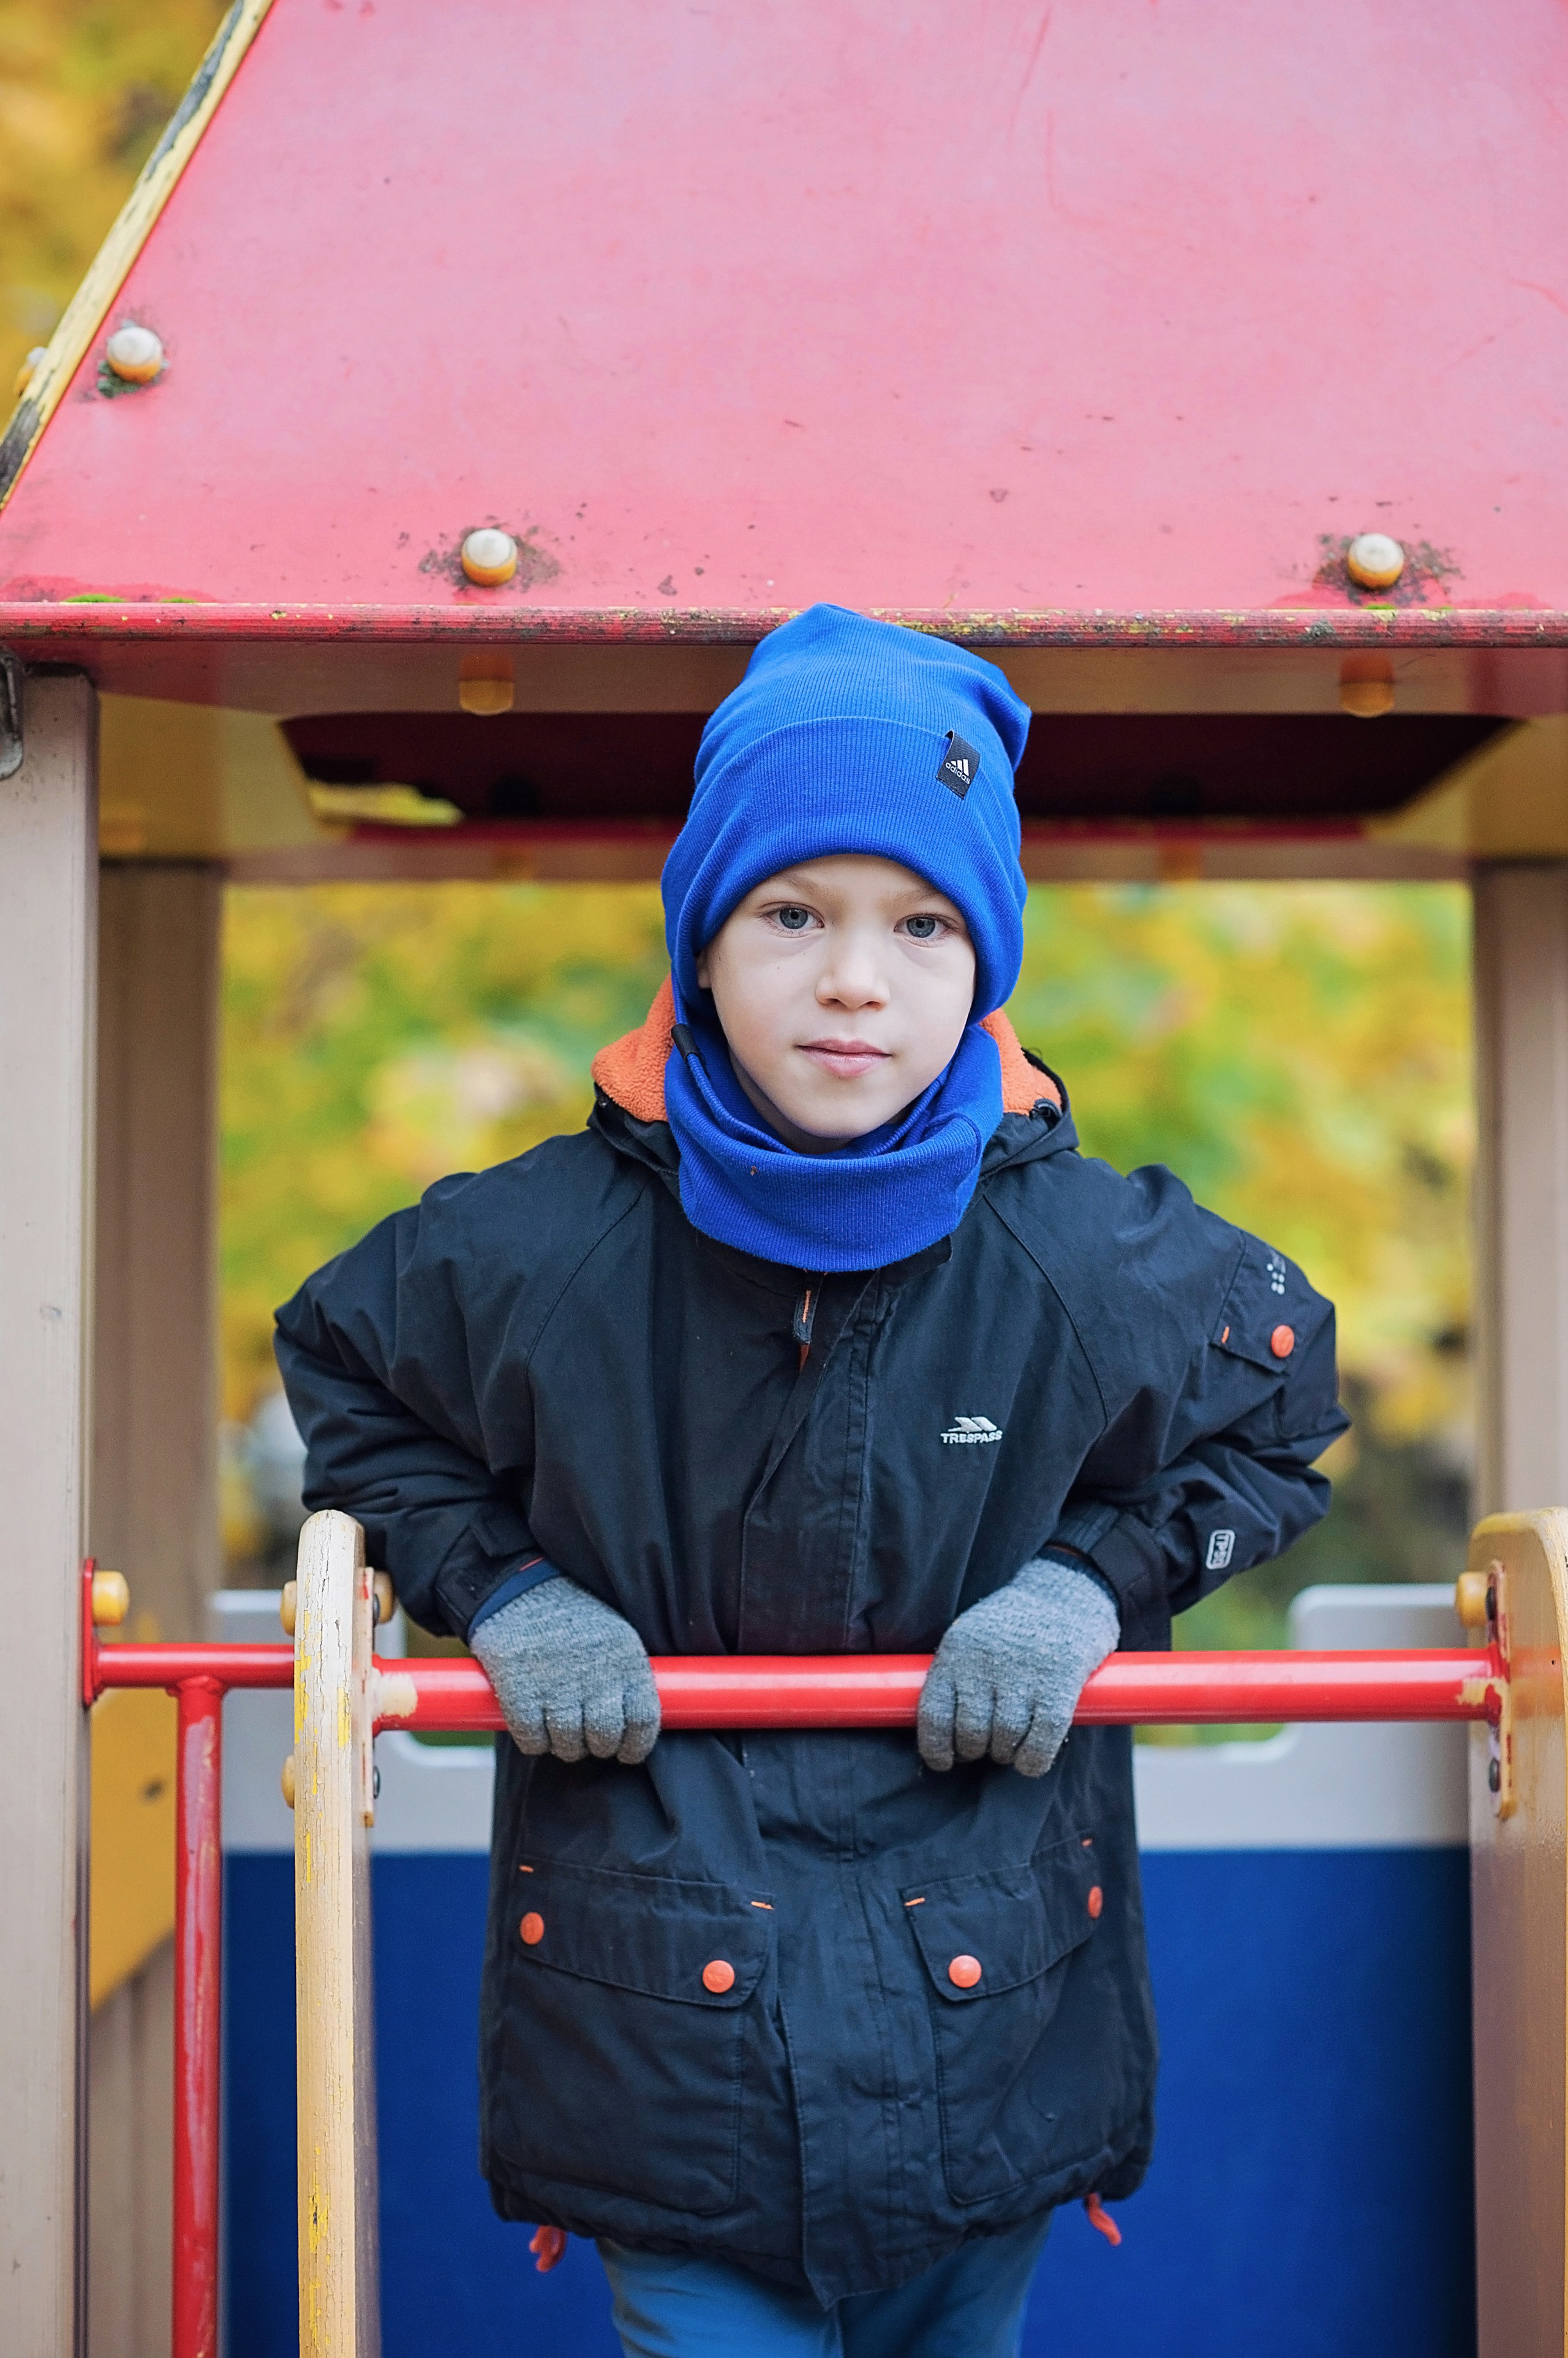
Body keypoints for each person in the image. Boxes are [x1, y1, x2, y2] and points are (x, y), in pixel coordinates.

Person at [275, 605, 1347, 2358]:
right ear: (701, 942)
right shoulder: (539, 1248)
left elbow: (1284, 1412)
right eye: (793, 915)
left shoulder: (1084, 1255)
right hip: (663, 2027)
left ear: (984, 963)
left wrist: (1088, 1581)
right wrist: (505, 1591)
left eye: (922, 925)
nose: (856, 979)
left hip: (983, 2019)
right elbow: (346, 1372)